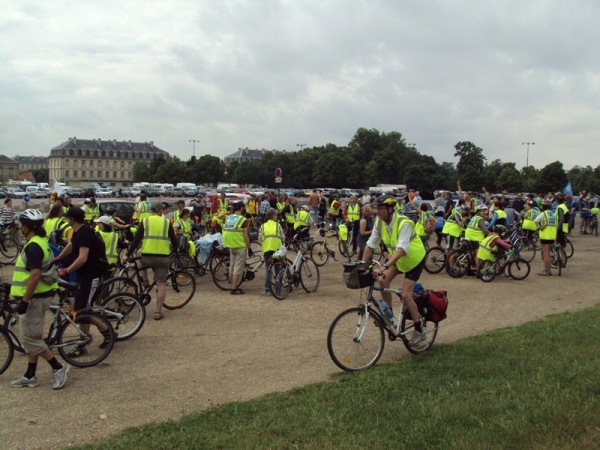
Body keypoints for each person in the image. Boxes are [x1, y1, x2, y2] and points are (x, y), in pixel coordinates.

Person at [9, 209, 70, 390]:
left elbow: (34, 276)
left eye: (22, 226)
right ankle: (30, 375)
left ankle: (58, 368)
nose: (20, 228)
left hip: (34, 298)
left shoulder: (34, 246)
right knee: (32, 336)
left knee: (30, 340)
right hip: (39, 296)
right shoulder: (39, 242)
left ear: (27, 227)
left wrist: (25, 301)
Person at [361, 195, 427, 346]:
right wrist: (361, 265)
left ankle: (419, 330)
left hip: (414, 259)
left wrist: (384, 266)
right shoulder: (379, 222)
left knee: (405, 294)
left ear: (391, 209)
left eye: (381, 208)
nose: (378, 211)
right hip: (398, 260)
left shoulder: (404, 223)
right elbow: (370, 245)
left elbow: (401, 250)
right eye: (377, 208)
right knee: (382, 280)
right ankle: (389, 318)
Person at [55, 207, 112, 356]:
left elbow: (82, 258)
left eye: (68, 218)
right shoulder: (78, 232)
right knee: (81, 310)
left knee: (83, 311)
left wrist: (66, 270)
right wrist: (59, 257)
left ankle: (83, 344)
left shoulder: (85, 234)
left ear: (72, 219)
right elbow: (71, 244)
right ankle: (107, 332)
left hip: (91, 276)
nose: (67, 220)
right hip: (83, 276)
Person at [123, 201, 178, 320]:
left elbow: (136, 239)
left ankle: (145, 281)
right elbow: (173, 239)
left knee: (138, 260)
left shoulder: (146, 220)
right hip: (163, 257)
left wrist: (127, 254)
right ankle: (158, 312)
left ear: (151, 211)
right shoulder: (166, 222)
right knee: (161, 284)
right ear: (160, 211)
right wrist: (177, 250)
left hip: (147, 256)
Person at [222, 201, 251, 295]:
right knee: (238, 268)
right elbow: (246, 235)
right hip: (240, 245)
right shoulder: (243, 219)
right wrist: (249, 247)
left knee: (232, 266)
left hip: (230, 245)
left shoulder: (229, 217)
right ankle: (234, 288)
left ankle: (232, 285)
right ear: (242, 208)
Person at [259, 208, 285, 296]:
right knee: (278, 269)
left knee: (268, 269)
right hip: (277, 250)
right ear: (274, 216)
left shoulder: (263, 226)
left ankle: (267, 290)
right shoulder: (278, 225)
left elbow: (260, 238)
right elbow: (283, 237)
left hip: (267, 249)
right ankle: (278, 290)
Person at [465, 204, 490, 273]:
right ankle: (478, 271)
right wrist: (490, 234)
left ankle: (468, 269)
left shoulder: (474, 217)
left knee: (471, 254)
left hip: (468, 235)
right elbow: (485, 230)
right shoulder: (480, 219)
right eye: (483, 211)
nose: (485, 212)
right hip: (476, 237)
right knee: (478, 255)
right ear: (479, 211)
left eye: (485, 211)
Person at [535, 199, 557, 276]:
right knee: (549, 252)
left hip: (545, 235)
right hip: (552, 235)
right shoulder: (553, 214)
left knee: (546, 253)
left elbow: (536, 220)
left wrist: (539, 227)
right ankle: (548, 269)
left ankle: (547, 270)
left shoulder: (543, 214)